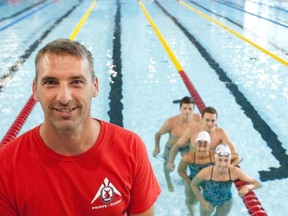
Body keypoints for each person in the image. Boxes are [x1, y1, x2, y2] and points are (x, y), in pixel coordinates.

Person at [0, 39, 160, 216]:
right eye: (51, 82)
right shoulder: (5, 164)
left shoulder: (130, 148)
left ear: (95, 87)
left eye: (76, 82)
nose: (64, 97)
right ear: (35, 90)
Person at [191, 144, 262, 216]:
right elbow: (193, 184)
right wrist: (202, 201)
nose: (223, 164)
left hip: (226, 202)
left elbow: (258, 184)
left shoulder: (234, 171)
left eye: (226, 160)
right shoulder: (206, 172)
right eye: (220, 160)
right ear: (215, 159)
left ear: (230, 160)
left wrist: (247, 187)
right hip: (208, 201)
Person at [167, 106, 241, 171]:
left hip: (210, 170)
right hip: (194, 167)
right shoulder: (192, 130)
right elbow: (176, 146)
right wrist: (170, 162)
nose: (210, 124)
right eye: (207, 120)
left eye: (213, 121)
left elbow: (235, 154)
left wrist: (229, 166)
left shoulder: (220, 133)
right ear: (202, 118)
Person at [152, 96, 201, 192]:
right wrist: (157, 147)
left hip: (186, 147)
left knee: (186, 164)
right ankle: (168, 181)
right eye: (185, 108)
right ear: (180, 109)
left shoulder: (198, 119)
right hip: (171, 147)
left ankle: (184, 179)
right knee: (167, 166)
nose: (187, 111)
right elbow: (158, 134)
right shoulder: (171, 122)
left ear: (193, 109)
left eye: (190, 109)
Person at [178, 131, 215, 216]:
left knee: (209, 203)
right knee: (190, 201)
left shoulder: (214, 156)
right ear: (195, 145)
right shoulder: (188, 157)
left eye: (205, 145)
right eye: (199, 145)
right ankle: (191, 213)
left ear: (209, 146)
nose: (202, 149)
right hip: (192, 180)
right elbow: (180, 171)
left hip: (208, 182)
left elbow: (229, 162)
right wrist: (189, 181)